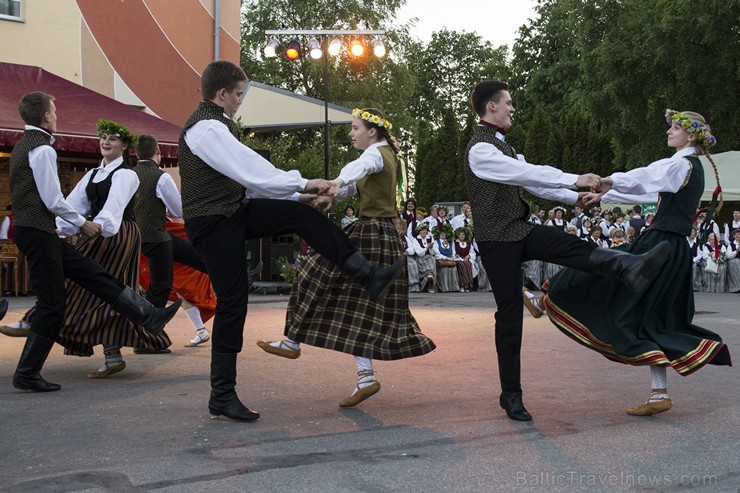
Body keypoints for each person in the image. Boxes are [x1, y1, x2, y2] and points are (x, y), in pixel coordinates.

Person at [179, 62, 403, 421]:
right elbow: (249, 169)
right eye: (238, 95)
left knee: (302, 216)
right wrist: (301, 183)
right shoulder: (206, 129)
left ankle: (365, 273)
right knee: (233, 302)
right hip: (212, 224)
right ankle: (221, 393)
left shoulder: (218, 126)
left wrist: (297, 198)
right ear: (222, 94)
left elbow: (247, 183)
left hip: (233, 211)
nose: (240, 102)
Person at [464, 80, 670, 421]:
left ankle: (627, 268)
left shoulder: (505, 148)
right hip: (495, 240)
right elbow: (528, 173)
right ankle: (511, 395)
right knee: (511, 315)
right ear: (492, 107)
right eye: (509, 103)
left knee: (567, 244)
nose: (513, 108)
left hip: (518, 228)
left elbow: (532, 183)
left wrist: (576, 197)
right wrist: (573, 178)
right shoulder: (481, 150)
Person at [533, 109, 731, 416]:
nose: (669, 131)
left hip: (658, 245)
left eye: (675, 128)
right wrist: (606, 195)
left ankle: (543, 301)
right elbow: (651, 190)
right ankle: (658, 394)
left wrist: (606, 181)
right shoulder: (691, 167)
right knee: (652, 317)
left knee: (600, 266)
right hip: (675, 249)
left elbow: (646, 177)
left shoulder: (680, 164)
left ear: (690, 135)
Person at [256, 107, 436, 407]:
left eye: (355, 128)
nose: (351, 133)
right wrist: (329, 195)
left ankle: (292, 342)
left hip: (371, 233)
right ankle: (364, 377)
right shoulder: (386, 155)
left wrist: (336, 183)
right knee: (359, 305)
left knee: (313, 271)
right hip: (382, 235)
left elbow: (356, 171)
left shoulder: (376, 154)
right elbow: (354, 186)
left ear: (372, 131)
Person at [6, 92, 181, 392]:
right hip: (45, 230)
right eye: (55, 110)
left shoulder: (23, 146)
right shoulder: (44, 150)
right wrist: (80, 224)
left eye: (112, 138)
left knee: (93, 276)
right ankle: (27, 371)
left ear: (125, 146)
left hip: (68, 231)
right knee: (55, 302)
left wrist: (77, 224)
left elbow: (85, 205)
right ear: (46, 117)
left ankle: (148, 315)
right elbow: (54, 200)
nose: (105, 141)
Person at [134, 135, 212, 350]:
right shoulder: (161, 177)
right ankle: (146, 341)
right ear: (157, 153)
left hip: (142, 237)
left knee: (194, 256)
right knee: (160, 288)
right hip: (157, 237)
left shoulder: (128, 175)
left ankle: (229, 272)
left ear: (136, 153)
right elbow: (178, 210)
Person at [453, 226, 474, 292]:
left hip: (466, 259)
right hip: (458, 259)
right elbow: (453, 252)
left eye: (463, 234)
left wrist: (469, 256)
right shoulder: (455, 243)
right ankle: (463, 285)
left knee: (468, 264)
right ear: (457, 235)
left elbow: (472, 253)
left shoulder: (468, 243)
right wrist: (456, 255)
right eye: (460, 234)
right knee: (462, 265)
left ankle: (468, 285)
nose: (462, 236)